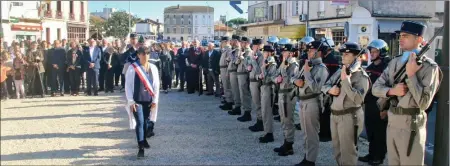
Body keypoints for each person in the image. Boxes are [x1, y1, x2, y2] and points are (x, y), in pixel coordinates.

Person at [372, 21, 441, 165]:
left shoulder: (430, 68)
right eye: (400, 35)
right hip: (392, 121)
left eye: (406, 36)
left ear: (419, 40)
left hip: (411, 125)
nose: (401, 39)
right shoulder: (394, 62)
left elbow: (424, 103)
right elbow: (375, 88)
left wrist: (411, 76)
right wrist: (391, 91)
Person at [321, 42, 369, 166]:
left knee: (348, 152)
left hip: (349, 117)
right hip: (335, 114)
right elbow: (325, 86)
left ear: (356, 56)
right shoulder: (340, 70)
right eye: (342, 54)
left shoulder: (361, 76)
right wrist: (330, 90)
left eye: (347, 54)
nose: (343, 56)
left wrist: (346, 82)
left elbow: (358, 100)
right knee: (337, 149)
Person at [293, 40, 329, 166]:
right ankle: (307, 156)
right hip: (303, 100)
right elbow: (295, 76)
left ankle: (310, 160)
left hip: (312, 101)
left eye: (312, 50)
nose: (309, 53)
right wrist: (295, 82)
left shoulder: (321, 68)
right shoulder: (307, 64)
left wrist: (307, 73)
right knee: (305, 132)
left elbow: (316, 88)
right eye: (308, 50)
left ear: (319, 52)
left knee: (311, 133)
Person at [357, 39, 390, 165]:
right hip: (369, 104)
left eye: (375, 51)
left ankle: (379, 157)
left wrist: (385, 109)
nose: (372, 54)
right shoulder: (370, 67)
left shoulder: (387, 68)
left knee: (380, 133)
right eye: (371, 51)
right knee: (370, 131)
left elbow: (389, 89)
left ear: (382, 52)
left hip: (381, 105)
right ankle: (371, 154)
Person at [125, 46, 160, 159]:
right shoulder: (133, 68)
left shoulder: (153, 68)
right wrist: (130, 101)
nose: (145, 56)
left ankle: (143, 139)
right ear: (138, 55)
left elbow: (156, 85)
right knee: (140, 122)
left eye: (147, 54)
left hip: (148, 100)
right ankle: (141, 148)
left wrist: (155, 100)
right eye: (143, 54)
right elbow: (128, 86)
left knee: (145, 122)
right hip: (137, 100)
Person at [272, 40, 299, 156]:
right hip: (281, 93)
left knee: (288, 120)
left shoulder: (294, 65)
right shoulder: (284, 62)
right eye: (283, 52)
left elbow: (291, 80)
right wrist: (276, 79)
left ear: (291, 53)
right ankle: (286, 142)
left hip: (288, 94)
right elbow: (276, 74)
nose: (283, 54)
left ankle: (289, 145)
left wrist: (284, 70)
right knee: (283, 120)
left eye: (286, 52)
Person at [319, 38, 339, 142]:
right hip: (325, 88)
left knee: (326, 112)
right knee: (323, 112)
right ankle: (323, 132)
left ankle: (326, 134)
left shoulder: (332, 60)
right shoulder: (325, 59)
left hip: (329, 89)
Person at [258, 45, 278, 143]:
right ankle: (267, 132)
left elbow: (269, 78)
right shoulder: (266, 62)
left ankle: (269, 133)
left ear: (269, 53)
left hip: (269, 88)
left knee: (267, 111)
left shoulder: (272, 63)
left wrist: (263, 69)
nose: (263, 53)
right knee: (264, 110)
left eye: (264, 52)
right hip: (264, 87)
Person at [232, 37, 252, 120]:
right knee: (241, 93)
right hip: (240, 74)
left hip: (244, 74)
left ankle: (247, 113)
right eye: (241, 42)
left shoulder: (249, 52)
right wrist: (239, 58)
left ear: (247, 43)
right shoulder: (242, 51)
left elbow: (248, 65)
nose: (242, 44)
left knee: (245, 93)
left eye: (243, 42)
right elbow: (236, 62)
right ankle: (244, 111)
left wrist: (242, 59)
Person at [247, 38, 264, 132]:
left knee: (258, 103)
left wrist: (253, 60)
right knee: (256, 103)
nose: (252, 47)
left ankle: (260, 122)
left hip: (257, 82)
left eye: (253, 45)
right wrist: (249, 63)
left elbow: (259, 71)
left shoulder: (261, 56)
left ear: (257, 46)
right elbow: (248, 65)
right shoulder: (254, 54)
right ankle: (259, 121)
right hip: (252, 80)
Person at [227, 35, 242, 114]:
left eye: (232, 40)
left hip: (235, 72)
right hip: (232, 71)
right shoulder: (234, 50)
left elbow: (236, 62)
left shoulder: (238, 50)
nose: (231, 42)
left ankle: (238, 107)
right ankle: (236, 105)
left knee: (236, 91)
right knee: (234, 90)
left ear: (236, 41)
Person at [219, 36, 234, 110]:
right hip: (223, 69)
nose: (221, 43)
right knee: (225, 86)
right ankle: (227, 100)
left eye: (222, 42)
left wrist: (228, 71)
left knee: (227, 86)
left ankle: (229, 102)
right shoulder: (225, 49)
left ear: (226, 42)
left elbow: (229, 62)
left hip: (226, 69)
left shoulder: (229, 49)